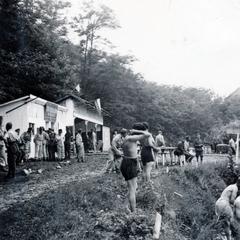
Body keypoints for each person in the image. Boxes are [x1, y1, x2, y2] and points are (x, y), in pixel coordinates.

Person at [120, 122, 151, 213]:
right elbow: (148, 134)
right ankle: (134, 212)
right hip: (129, 163)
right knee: (132, 189)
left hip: (127, 161)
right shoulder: (132, 138)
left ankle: (125, 206)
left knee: (133, 186)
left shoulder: (128, 137)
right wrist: (138, 131)